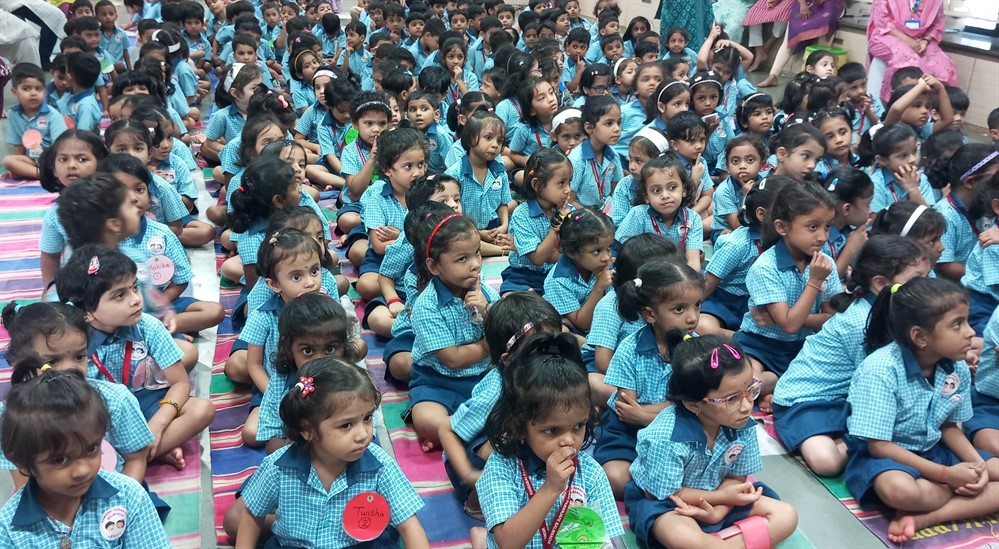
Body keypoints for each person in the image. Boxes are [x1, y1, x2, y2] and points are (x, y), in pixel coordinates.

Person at [845, 278, 999, 544]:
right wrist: (947, 477)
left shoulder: (956, 366)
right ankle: (938, 497)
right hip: (890, 456)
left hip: (935, 449)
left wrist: (977, 465)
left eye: (967, 321)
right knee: (900, 491)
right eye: (957, 324)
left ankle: (924, 517)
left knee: (986, 472)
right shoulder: (880, 369)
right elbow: (879, 446)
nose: (971, 332)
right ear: (920, 337)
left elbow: (948, 427)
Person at [772, 236, 929, 476]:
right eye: (917, 280)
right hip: (807, 399)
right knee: (827, 462)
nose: (925, 288)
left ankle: (862, 440)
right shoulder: (861, 322)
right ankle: (863, 442)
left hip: (845, 399)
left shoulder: (897, 310)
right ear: (880, 283)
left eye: (927, 278)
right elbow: (874, 380)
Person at [625, 335, 799, 549]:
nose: (746, 406)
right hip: (671, 504)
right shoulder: (665, 437)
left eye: (750, 391)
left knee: (786, 515)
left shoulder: (742, 424)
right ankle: (727, 542)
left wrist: (719, 510)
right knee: (680, 535)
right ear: (694, 404)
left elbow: (736, 477)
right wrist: (718, 497)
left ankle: (719, 544)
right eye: (732, 399)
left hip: (724, 497)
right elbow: (663, 493)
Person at [235, 358, 430, 548]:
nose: (363, 434)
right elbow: (252, 514)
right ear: (308, 430)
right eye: (346, 425)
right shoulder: (277, 468)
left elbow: (410, 526)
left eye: (367, 418)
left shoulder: (381, 466)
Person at [56, 246, 216, 470]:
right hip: (101, 414)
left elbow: (180, 383)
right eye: (119, 295)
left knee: (202, 410)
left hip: (147, 402)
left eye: (134, 287)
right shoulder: (73, 343)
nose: (135, 300)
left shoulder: (148, 326)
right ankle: (149, 452)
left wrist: (157, 426)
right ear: (87, 311)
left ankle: (136, 453)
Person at [478, 332, 625, 548]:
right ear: (519, 426)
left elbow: (606, 539)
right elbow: (507, 543)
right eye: (552, 430)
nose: (569, 440)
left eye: (578, 426)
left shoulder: (590, 473)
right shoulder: (502, 467)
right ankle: (481, 539)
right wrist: (551, 488)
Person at [0, 369, 170, 547]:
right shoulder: (8, 531)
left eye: (91, 449)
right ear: (23, 463)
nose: (83, 470)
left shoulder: (128, 496)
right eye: (60, 460)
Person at [596, 259, 705, 498]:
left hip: (676, 431)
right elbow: (627, 409)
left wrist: (645, 414)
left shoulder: (698, 349)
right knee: (616, 478)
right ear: (649, 314)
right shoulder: (629, 349)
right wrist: (671, 407)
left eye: (697, 305)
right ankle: (660, 488)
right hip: (627, 432)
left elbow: (695, 405)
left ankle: (661, 487)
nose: (692, 317)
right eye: (679, 309)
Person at [867, 0, 957, 102]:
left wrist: (925, 41)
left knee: (944, 66)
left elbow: (937, 24)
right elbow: (881, 22)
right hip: (887, 35)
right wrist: (907, 40)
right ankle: (891, 104)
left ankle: (932, 107)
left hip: (919, 39)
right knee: (910, 60)